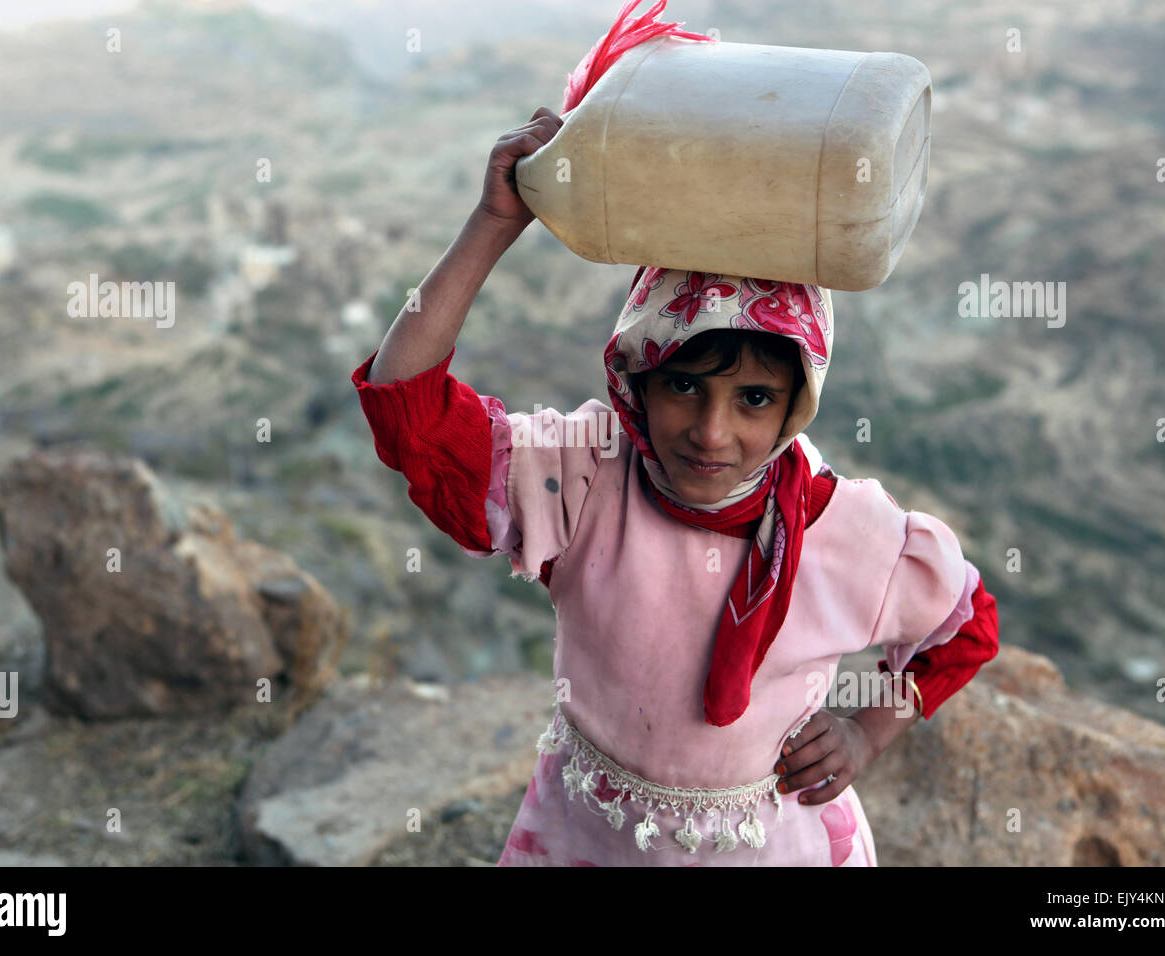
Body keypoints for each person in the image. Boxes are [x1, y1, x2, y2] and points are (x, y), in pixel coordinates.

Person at [350, 101, 999, 865]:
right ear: (636, 379)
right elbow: (409, 411)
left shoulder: (845, 529)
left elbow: (964, 625)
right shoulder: (583, 475)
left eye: (753, 399)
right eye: (684, 386)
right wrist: (494, 221)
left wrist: (864, 731)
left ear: (798, 406)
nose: (712, 432)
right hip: (589, 840)